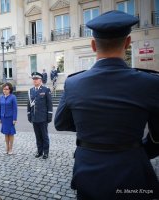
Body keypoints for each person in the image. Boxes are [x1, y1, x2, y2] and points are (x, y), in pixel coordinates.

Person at [54, 10, 159, 200]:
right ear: (127, 43)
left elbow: (60, 123)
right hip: (132, 172)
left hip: (88, 171)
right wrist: (139, 150)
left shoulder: (73, 83)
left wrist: (87, 126)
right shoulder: (150, 83)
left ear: (93, 45)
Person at [27, 72, 53, 159]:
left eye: (36, 79)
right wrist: (29, 115)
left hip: (43, 117)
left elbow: (49, 104)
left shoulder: (46, 90)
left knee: (44, 136)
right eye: (33, 79)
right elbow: (29, 105)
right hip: (34, 117)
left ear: (40, 80)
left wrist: (49, 115)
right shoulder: (31, 91)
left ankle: (46, 152)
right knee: (37, 136)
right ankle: (39, 151)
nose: (34, 81)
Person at [0, 82, 18, 155]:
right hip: (3, 118)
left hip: (10, 118)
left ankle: (10, 148)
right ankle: (6, 148)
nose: (5, 90)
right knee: (6, 133)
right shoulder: (1, 97)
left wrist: (14, 119)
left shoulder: (13, 97)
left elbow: (15, 109)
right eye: (4, 89)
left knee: (11, 133)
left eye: (6, 89)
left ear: (10, 90)